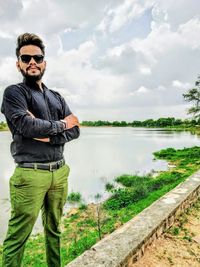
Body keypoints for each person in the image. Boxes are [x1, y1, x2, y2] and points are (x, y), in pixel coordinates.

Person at [1, 33, 80, 267]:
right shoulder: (15, 93)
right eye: (26, 58)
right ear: (19, 63)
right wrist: (63, 125)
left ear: (44, 62)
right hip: (30, 174)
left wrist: (48, 134)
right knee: (18, 238)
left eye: (38, 57)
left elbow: (76, 131)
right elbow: (26, 126)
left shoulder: (56, 96)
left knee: (54, 230)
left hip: (60, 172)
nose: (32, 62)